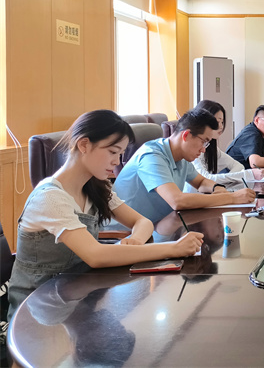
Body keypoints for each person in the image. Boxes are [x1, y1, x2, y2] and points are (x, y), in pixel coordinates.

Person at [8, 110, 204, 319]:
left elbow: (142, 221)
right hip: (36, 312)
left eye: (120, 154)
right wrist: (173, 248)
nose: (117, 161)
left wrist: (135, 241)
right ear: (84, 145)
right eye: (113, 152)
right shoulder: (50, 198)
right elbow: (96, 256)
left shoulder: (95, 187)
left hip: (77, 299)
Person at [114, 108, 256, 225]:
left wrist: (217, 188)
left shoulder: (181, 157)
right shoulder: (151, 156)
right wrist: (232, 198)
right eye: (204, 142)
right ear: (186, 135)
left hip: (157, 226)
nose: (204, 149)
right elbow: (177, 201)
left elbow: (201, 182)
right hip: (124, 234)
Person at [188, 100, 264, 191]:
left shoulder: (211, 148)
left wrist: (226, 179)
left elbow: (238, 166)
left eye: (222, 122)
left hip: (207, 195)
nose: (221, 126)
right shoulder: (194, 148)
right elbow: (205, 180)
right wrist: (248, 174)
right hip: (195, 197)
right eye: (217, 122)